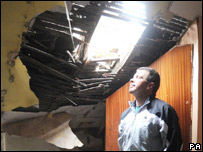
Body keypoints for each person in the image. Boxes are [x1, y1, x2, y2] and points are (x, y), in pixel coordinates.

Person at [118, 67, 183, 151]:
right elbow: (121, 144)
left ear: (150, 86)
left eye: (139, 77)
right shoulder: (125, 115)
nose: (132, 80)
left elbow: (175, 145)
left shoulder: (163, 110)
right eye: (134, 77)